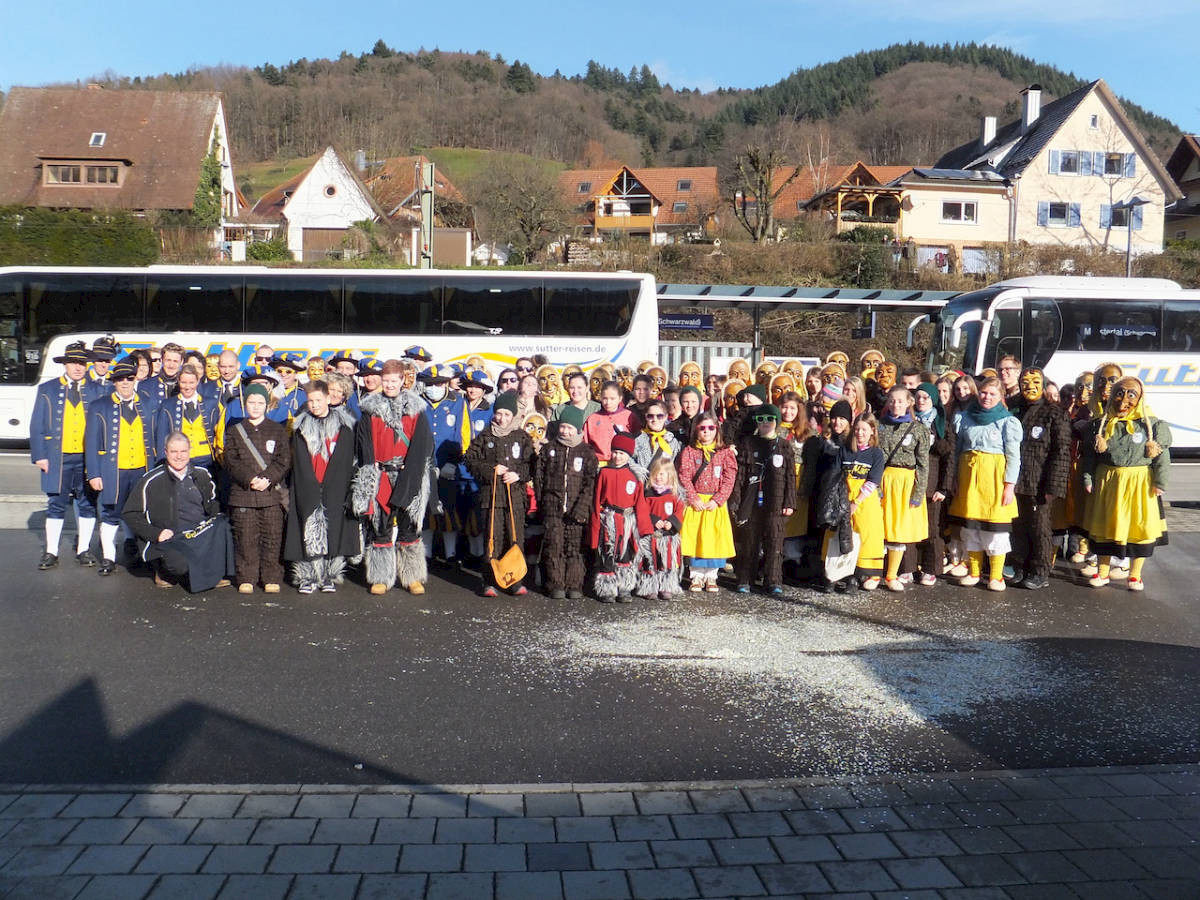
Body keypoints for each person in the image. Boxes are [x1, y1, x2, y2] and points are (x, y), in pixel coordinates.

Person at [1079, 377, 1171, 591]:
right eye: (1119, 394)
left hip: (1139, 485)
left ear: (1140, 398)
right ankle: (1102, 573)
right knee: (1105, 527)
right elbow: (1089, 457)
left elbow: (1162, 457)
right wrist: (1088, 478)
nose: (1124, 401)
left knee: (1138, 528)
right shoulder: (1101, 425)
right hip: (1108, 483)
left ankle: (1135, 576)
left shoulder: (1152, 425)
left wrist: (1160, 482)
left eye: (1131, 395)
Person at [353, 360, 435, 596]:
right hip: (380, 473)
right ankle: (381, 577)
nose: (389, 385)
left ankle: (412, 576)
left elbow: (422, 445)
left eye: (393, 381)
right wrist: (370, 474)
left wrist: (412, 474)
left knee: (410, 526)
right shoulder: (370, 410)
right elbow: (364, 444)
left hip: (409, 472)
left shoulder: (416, 410)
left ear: (402, 381)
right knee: (380, 526)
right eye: (386, 380)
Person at [122, 432, 234, 591]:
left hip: (198, 532)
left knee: (225, 526)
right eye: (174, 452)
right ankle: (163, 571)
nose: (179, 456)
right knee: (180, 566)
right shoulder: (150, 480)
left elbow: (214, 505)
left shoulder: (202, 474)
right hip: (171, 538)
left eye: (183, 451)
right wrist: (156, 533)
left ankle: (212, 573)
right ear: (166, 452)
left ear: (190, 451)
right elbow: (130, 513)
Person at [284, 380, 360, 594]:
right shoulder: (300, 426)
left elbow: (347, 459)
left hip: (334, 485)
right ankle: (307, 575)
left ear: (328, 398)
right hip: (308, 484)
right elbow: (298, 460)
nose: (315, 405)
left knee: (332, 528)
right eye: (310, 401)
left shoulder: (344, 426)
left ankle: (328, 574)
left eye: (318, 400)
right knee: (306, 528)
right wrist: (308, 482)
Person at [948, 377, 1022, 592]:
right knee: (971, 528)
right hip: (969, 480)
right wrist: (954, 478)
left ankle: (996, 576)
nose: (986, 397)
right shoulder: (965, 418)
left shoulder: (1007, 422)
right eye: (983, 393)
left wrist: (1009, 485)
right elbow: (957, 451)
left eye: (992, 394)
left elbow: (1014, 457)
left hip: (994, 481)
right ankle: (974, 571)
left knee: (994, 531)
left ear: (1000, 397)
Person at [31, 341, 99, 569]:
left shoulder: (98, 390)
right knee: (56, 504)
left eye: (82, 363)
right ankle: (51, 551)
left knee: (87, 503)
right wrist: (40, 455)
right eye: (73, 363)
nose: (78, 367)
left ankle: (83, 550)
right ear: (65, 364)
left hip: (87, 458)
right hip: (57, 457)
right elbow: (37, 425)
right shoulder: (47, 389)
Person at [85, 358, 155, 575]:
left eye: (129, 378)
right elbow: (91, 443)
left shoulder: (148, 403)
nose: (125, 382)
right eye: (120, 379)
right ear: (114, 381)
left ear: (135, 380)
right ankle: (108, 558)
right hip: (113, 471)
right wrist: (94, 474)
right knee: (110, 513)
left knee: (140, 512)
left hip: (141, 469)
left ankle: (140, 555)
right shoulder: (99, 406)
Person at [464, 390, 534, 597]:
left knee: (515, 537)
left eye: (506, 414)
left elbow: (531, 464)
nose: (502, 418)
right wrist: (491, 470)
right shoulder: (485, 436)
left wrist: (518, 474)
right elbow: (470, 460)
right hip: (491, 497)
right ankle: (489, 581)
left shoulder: (522, 437)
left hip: (515, 497)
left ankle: (515, 581)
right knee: (492, 538)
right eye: (499, 413)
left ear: (513, 415)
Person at [223, 383, 291, 594]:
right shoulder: (234, 431)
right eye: (251, 402)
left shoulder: (277, 430)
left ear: (267, 405)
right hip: (243, 493)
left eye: (260, 402)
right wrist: (250, 478)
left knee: (272, 536)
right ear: (245, 404)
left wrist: (268, 478)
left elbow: (283, 459)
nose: (255, 406)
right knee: (245, 536)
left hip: (270, 493)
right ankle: (246, 577)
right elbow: (231, 460)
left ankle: (271, 576)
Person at [1010, 368, 1071, 590]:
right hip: (1017, 480)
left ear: (1043, 385)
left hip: (1040, 481)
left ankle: (1040, 570)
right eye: (1025, 383)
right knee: (1018, 526)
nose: (1030, 387)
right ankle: (1020, 566)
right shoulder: (1015, 410)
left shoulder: (1055, 413)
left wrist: (1053, 485)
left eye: (1035, 382)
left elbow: (1061, 452)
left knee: (1040, 527)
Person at [729, 404, 796, 595]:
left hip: (776, 500)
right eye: (761, 419)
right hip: (752, 499)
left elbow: (791, 476)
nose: (765, 422)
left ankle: (773, 580)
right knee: (750, 540)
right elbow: (740, 474)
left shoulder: (784, 446)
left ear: (777, 421)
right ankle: (745, 578)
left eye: (769, 419)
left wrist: (789, 502)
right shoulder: (748, 444)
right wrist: (736, 499)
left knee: (775, 541)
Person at [533, 405, 598, 600]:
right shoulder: (549, 449)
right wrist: (543, 501)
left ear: (577, 429)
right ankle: (556, 583)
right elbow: (539, 477)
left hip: (576, 509)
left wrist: (582, 508)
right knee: (554, 545)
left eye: (570, 428)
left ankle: (574, 584)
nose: (565, 431)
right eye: (563, 427)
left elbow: (590, 484)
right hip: (553, 507)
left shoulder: (586, 452)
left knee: (575, 547)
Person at [877, 387, 930, 593]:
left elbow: (923, 464)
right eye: (892, 401)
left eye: (900, 401)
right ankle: (874, 573)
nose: (896, 405)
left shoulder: (918, 429)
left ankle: (891, 575)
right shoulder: (880, 426)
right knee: (879, 527)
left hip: (905, 483)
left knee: (898, 530)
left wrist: (918, 493)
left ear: (909, 402)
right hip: (883, 479)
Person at [678, 413, 737, 593]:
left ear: (717, 430)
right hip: (696, 502)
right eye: (702, 428)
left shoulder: (725, 453)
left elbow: (729, 478)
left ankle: (711, 576)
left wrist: (718, 499)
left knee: (714, 538)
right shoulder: (689, 451)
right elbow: (684, 476)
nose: (707, 431)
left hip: (714, 504)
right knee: (696, 539)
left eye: (711, 428)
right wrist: (693, 498)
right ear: (696, 430)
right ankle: (696, 576)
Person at [589, 432, 651, 602]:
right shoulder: (604, 472)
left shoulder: (635, 475)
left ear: (629, 455)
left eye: (622, 453)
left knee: (625, 555)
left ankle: (624, 587)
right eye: (615, 452)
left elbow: (640, 503)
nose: (617, 456)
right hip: (608, 520)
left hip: (627, 521)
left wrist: (644, 528)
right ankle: (607, 589)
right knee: (607, 553)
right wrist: (595, 526)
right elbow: (596, 500)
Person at [420, 364, 471, 568]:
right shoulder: (417, 401)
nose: (435, 388)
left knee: (449, 508)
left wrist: (455, 462)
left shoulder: (458, 402)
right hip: (423, 465)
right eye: (430, 384)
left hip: (448, 465)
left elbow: (465, 435)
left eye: (439, 383)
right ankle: (426, 553)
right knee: (424, 509)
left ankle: (450, 554)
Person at [911, 383, 955, 586]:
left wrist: (943, 487)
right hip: (911, 481)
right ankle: (908, 567)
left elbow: (949, 458)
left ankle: (931, 569)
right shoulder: (909, 419)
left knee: (932, 528)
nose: (921, 401)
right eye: (918, 397)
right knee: (909, 526)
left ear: (933, 400)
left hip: (933, 482)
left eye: (925, 397)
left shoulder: (941, 424)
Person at [154, 364, 219, 473]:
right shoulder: (168, 405)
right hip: (180, 461)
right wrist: (162, 463)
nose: (187, 387)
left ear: (197, 381)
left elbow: (217, 433)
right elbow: (162, 436)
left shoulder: (211, 403)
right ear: (178, 382)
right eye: (183, 382)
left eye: (191, 382)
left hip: (206, 460)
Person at [638, 458, 686, 600]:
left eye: (662, 474)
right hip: (651, 536)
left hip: (667, 537)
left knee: (667, 562)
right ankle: (649, 587)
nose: (658, 477)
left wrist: (671, 522)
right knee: (650, 561)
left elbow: (679, 511)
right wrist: (654, 520)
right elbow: (643, 510)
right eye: (655, 474)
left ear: (670, 475)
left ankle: (666, 586)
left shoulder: (674, 495)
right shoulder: (648, 494)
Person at [583, 381, 636, 464]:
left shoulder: (629, 416)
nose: (608, 402)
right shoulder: (593, 419)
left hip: (623, 463)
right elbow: (585, 444)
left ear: (620, 398)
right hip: (598, 463)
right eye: (605, 398)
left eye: (612, 399)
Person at [631, 399, 681, 481]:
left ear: (666, 417)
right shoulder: (638, 439)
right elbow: (629, 459)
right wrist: (639, 472)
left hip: (664, 485)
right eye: (650, 416)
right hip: (643, 484)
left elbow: (676, 466)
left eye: (659, 416)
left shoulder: (672, 441)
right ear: (646, 417)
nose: (655, 419)